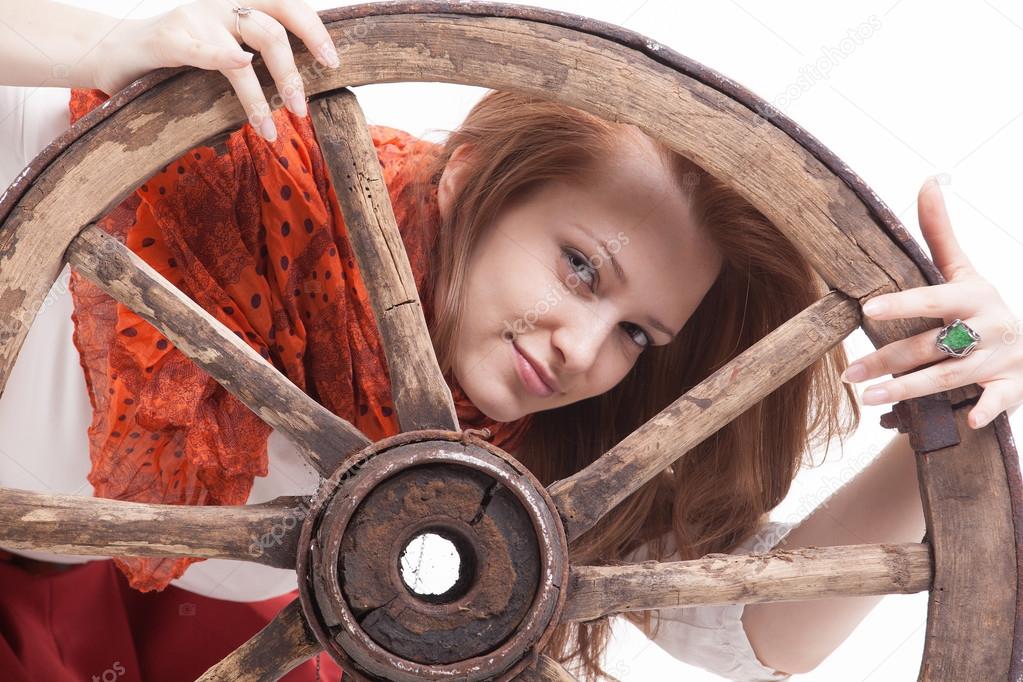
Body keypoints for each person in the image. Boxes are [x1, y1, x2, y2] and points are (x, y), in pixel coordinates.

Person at [2, 1, 1021, 681]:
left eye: (637, 331)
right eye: (581, 266)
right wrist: (89, 38)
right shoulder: (182, 177)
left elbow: (756, 630)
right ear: (469, 174)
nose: (585, 347)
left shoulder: (517, 462)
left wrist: (945, 412)